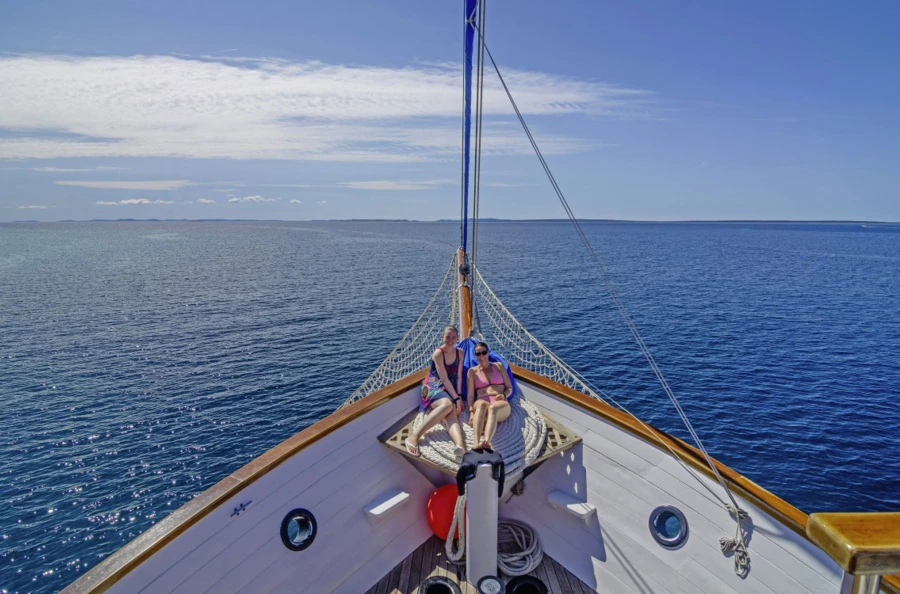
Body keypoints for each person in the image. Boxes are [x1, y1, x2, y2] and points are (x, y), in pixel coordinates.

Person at [405, 326, 466, 459]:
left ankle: (460, 447)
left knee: (451, 414)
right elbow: (443, 379)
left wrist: (459, 396)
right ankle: (414, 437)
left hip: (451, 387)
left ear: (457, 338)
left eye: (453, 337)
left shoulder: (460, 353)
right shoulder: (438, 353)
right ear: (442, 337)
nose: (450, 340)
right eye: (447, 337)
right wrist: (455, 399)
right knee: (448, 405)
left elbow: (460, 376)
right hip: (434, 385)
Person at [466, 342, 512, 450]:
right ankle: (476, 443)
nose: (481, 356)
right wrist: (471, 413)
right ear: (475, 356)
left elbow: (509, 388)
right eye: (478, 354)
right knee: (482, 404)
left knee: (493, 408)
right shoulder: (472, 372)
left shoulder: (499, 366)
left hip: (499, 403)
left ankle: (486, 442)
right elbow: (470, 396)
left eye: (484, 352)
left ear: (488, 353)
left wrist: (504, 395)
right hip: (481, 400)